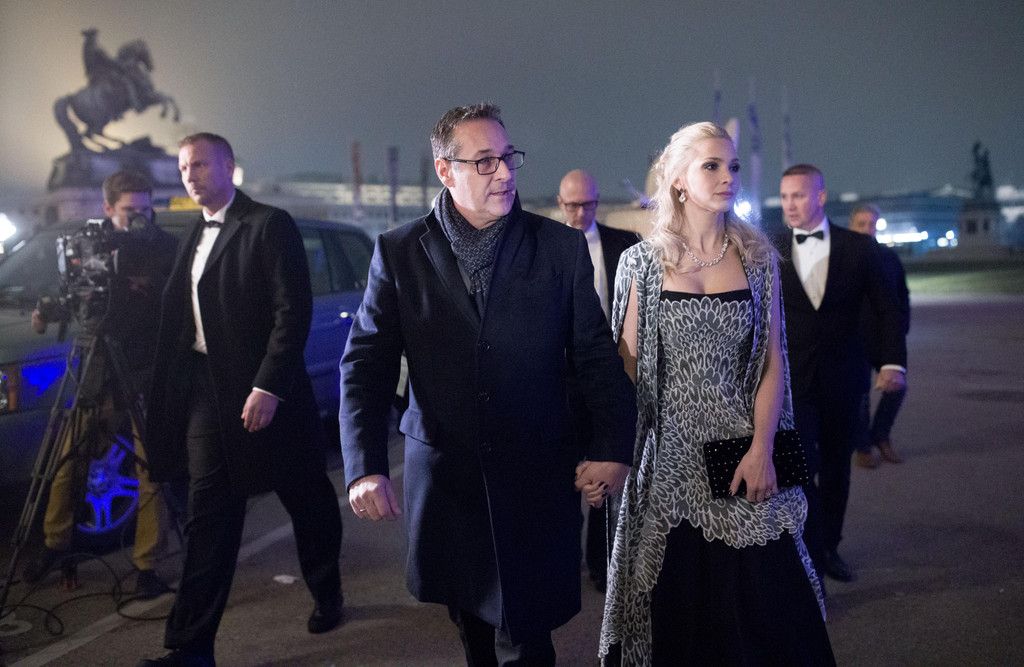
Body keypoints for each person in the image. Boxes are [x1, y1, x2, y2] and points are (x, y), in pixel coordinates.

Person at [340, 103, 636, 666]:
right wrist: (364, 464)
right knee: (472, 628)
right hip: (447, 481)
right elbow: (366, 363)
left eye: (506, 157)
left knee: (527, 637)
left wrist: (610, 448)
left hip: (535, 475)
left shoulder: (558, 248)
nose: (503, 173)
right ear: (444, 170)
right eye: (483, 161)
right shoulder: (399, 251)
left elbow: (596, 357)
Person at [599, 122, 834, 665]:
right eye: (711, 166)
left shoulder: (757, 260)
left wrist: (761, 450)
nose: (728, 176)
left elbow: (774, 363)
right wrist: (607, 451)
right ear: (678, 180)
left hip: (741, 457)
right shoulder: (640, 263)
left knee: (767, 618)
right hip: (668, 466)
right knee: (679, 621)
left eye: (732, 166)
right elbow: (625, 371)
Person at [138, 133, 343, 667]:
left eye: (200, 164)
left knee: (307, 498)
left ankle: (327, 591)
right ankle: (191, 648)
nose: (190, 175)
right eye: (183, 167)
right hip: (209, 392)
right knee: (209, 515)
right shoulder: (191, 233)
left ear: (229, 167)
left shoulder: (269, 225)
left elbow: (291, 311)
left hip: (270, 393)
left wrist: (268, 385)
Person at [23, 170, 175, 599]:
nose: (141, 218)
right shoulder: (90, 243)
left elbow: (178, 300)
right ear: (108, 208)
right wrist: (48, 312)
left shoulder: (165, 247)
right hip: (98, 364)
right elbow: (76, 294)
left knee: (151, 468)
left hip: (145, 365)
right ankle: (55, 543)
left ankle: (147, 565)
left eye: (146, 209)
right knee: (68, 457)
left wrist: (145, 287)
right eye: (130, 211)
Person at [775, 165, 907, 584]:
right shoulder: (770, 248)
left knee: (836, 467)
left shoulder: (859, 248)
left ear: (820, 197)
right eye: (784, 197)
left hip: (844, 377)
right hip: (791, 382)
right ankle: (808, 547)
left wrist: (892, 363)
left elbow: (887, 309)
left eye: (798, 195)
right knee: (799, 468)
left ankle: (829, 546)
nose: (790, 205)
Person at [557, 169, 638, 592]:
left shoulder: (626, 244)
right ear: (560, 204)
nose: (579, 213)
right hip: (561, 377)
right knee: (565, 471)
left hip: (611, 373)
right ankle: (563, 560)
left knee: (609, 461)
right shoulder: (546, 247)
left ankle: (601, 562)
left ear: (597, 202)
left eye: (586, 204)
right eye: (572, 205)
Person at [849, 204, 910, 467]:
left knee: (897, 388)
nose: (867, 229)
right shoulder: (842, 257)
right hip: (854, 337)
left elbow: (902, 295)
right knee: (860, 394)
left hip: (886, 336)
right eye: (861, 224)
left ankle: (881, 435)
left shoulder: (888, 257)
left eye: (872, 224)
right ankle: (863, 447)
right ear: (852, 226)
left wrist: (901, 328)